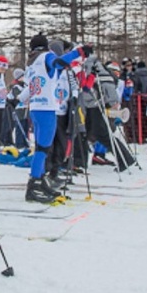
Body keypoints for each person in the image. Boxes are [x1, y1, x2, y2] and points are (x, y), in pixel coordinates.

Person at [24, 34, 88, 201]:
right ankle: (34, 184)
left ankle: (38, 180)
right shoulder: (46, 56)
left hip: (35, 107)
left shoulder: (31, 62)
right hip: (47, 108)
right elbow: (58, 62)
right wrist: (79, 52)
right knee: (43, 149)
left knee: (40, 148)